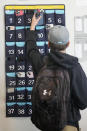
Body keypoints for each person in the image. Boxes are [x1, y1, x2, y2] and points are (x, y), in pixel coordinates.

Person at [26, 14, 87, 131]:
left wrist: (33, 26)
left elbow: (31, 50)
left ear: (48, 44)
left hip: (44, 123)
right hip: (68, 124)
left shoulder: (41, 62)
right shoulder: (74, 67)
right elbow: (83, 102)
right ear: (68, 44)